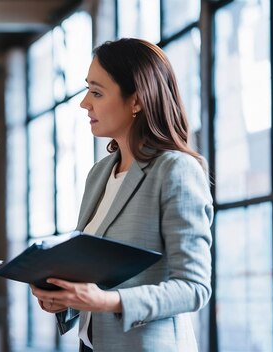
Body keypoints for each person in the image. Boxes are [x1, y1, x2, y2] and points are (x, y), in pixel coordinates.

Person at [30, 38, 213, 351]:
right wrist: (64, 299)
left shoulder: (175, 170)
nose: (84, 103)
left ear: (137, 100)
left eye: (97, 92)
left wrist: (106, 301)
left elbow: (194, 288)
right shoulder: (99, 173)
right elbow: (92, 275)